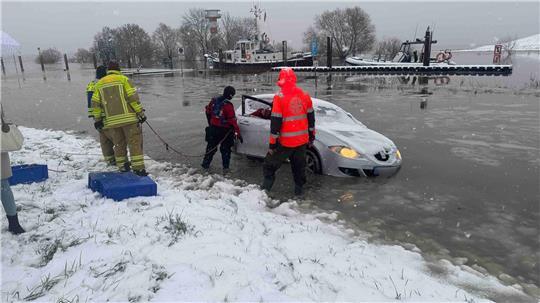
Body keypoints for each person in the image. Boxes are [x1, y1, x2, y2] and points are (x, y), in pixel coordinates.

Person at [262, 68, 315, 196]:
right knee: (299, 169)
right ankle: (299, 194)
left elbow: (275, 123)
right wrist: (311, 137)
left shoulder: (279, 98)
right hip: (301, 141)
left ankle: (264, 192)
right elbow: (311, 118)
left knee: (269, 165)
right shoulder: (304, 95)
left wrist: (272, 145)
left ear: (281, 80)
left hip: (286, 142)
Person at [91, 61, 148, 176]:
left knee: (119, 144)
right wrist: (141, 113)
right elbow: (133, 98)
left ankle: (122, 166)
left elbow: (95, 104)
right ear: (118, 69)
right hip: (129, 119)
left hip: (112, 122)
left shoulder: (99, 84)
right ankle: (138, 169)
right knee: (134, 143)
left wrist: (98, 120)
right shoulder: (123, 80)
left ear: (108, 70)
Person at [201, 86, 242, 173]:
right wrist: (238, 134)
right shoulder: (228, 106)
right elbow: (233, 121)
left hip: (213, 130)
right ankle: (226, 169)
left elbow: (207, 112)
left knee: (210, 149)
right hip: (225, 132)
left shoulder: (213, 101)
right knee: (225, 151)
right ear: (230, 95)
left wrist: (210, 124)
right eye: (233, 95)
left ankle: (205, 166)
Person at [87, 65, 115, 166]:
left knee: (104, 138)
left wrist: (94, 116)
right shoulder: (104, 83)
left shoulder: (92, 84)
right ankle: (119, 158)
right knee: (114, 137)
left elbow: (90, 101)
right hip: (105, 114)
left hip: (96, 116)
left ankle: (109, 158)